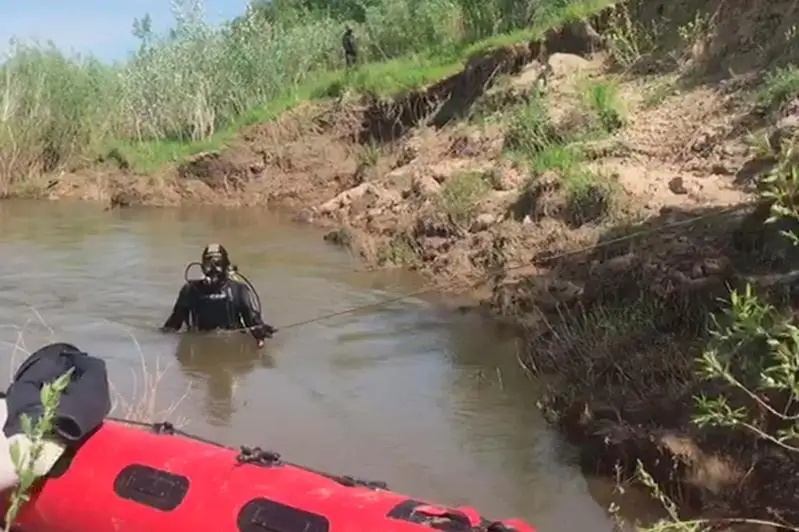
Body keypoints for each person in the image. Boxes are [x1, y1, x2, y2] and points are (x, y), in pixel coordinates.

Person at [160, 244, 276, 348]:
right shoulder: (190, 290)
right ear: (202, 267)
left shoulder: (239, 290)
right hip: (201, 346)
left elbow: (252, 320)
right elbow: (173, 325)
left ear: (226, 267)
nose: (214, 269)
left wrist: (260, 332)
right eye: (209, 265)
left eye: (218, 264)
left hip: (232, 346)